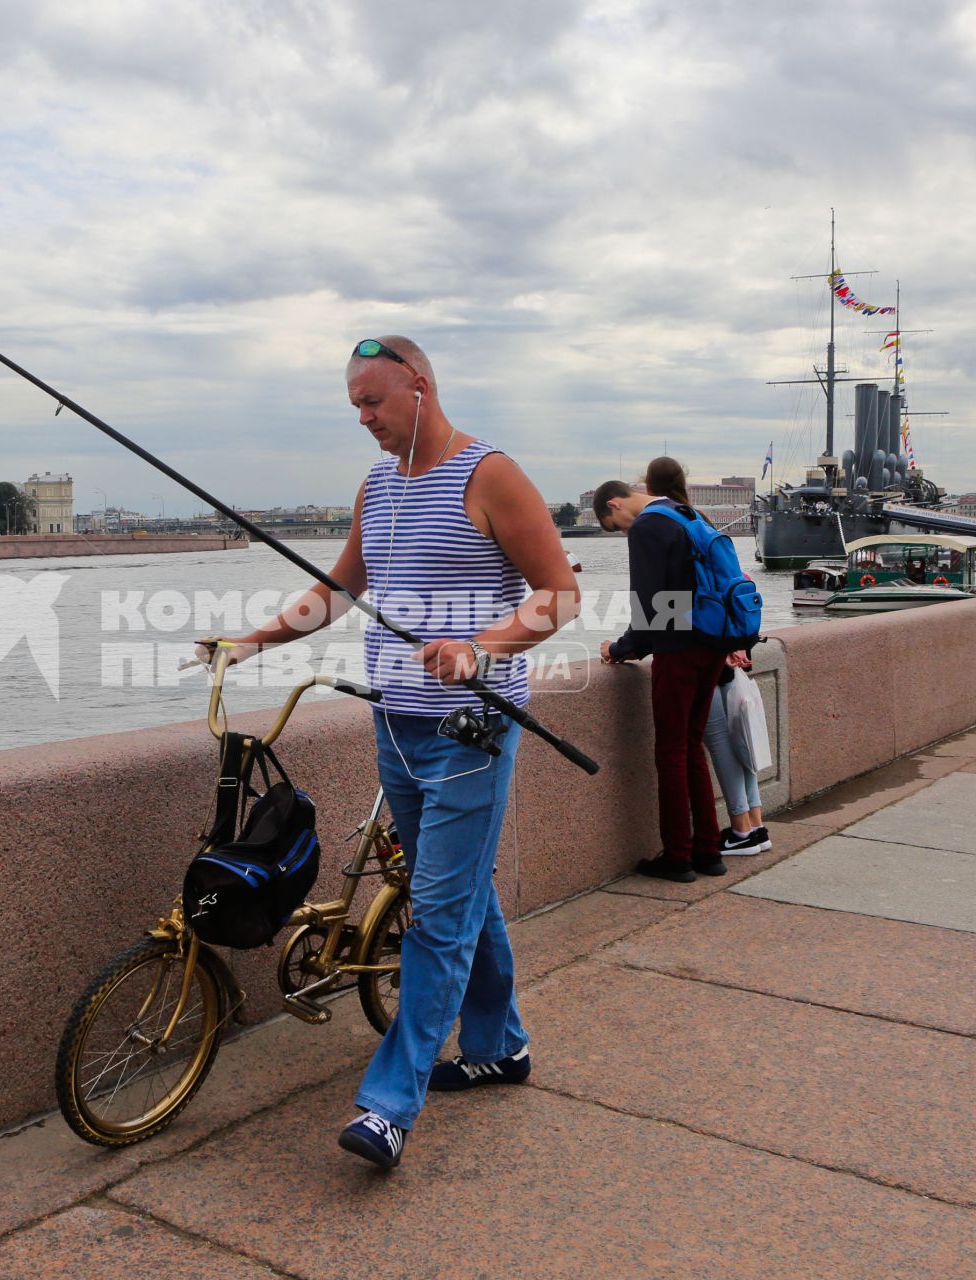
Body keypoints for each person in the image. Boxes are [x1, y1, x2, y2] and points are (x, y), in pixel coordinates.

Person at [198, 335, 579, 1170]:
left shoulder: (491, 475)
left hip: (470, 735)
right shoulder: (378, 486)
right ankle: (499, 1045)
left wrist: (481, 645)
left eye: (373, 401)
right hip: (395, 730)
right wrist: (252, 642)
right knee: (455, 889)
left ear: (420, 385)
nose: (364, 419)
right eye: (354, 408)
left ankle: (388, 1105)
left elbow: (561, 597)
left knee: (438, 917)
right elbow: (339, 590)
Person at [592, 458, 729, 883]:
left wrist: (621, 648)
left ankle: (678, 857)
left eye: (614, 525)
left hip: (679, 651)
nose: (622, 533)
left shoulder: (650, 525)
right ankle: (708, 851)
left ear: (615, 503)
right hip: (712, 643)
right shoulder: (685, 513)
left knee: (670, 753)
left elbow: (652, 607)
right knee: (692, 748)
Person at [703, 651, 769, 854]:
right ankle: (756, 826)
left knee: (719, 741)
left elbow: (660, 622)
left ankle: (742, 832)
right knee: (742, 739)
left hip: (707, 660)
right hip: (731, 659)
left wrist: (619, 649)